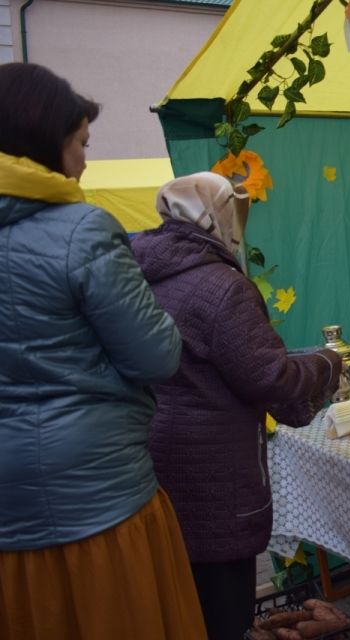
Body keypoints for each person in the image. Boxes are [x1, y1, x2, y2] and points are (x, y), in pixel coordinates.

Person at [0, 63, 207, 639]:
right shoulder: (81, 230)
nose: (87, 160)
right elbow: (156, 356)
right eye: (82, 142)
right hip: (92, 496)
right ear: (47, 142)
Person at [131, 172, 343, 640]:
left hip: (157, 456)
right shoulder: (220, 286)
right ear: (218, 215)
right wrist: (329, 363)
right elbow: (268, 377)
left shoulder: (142, 273)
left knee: (186, 603)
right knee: (225, 609)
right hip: (212, 472)